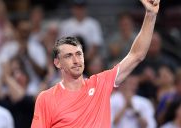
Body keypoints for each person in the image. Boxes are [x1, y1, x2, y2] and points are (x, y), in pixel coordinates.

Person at [31, 0, 161, 127]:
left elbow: (137, 55)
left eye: (78, 54)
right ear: (58, 63)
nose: (76, 60)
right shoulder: (46, 98)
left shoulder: (100, 84)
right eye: (69, 56)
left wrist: (150, 15)